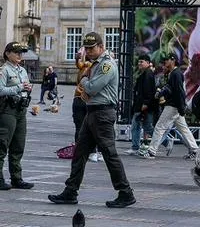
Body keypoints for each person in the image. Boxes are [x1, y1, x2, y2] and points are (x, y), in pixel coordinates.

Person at [48, 32, 135, 207]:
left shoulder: (106, 65)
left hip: (102, 114)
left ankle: (125, 192)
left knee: (110, 154)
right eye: (86, 48)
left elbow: (92, 87)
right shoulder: (95, 64)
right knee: (79, 153)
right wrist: (86, 84)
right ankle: (71, 191)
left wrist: (86, 80)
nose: (88, 51)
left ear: (101, 47)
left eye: (91, 47)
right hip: (92, 112)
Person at [139, 53, 199, 159]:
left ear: (173, 60)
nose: (165, 62)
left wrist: (180, 107)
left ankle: (152, 151)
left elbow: (180, 92)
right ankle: (195, 150)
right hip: (175, 106)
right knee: (183, 128)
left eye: (166, 60)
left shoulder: (176, 74)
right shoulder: (174, 73)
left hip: (173, 106)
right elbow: (175, 90)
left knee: (159, 127)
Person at [0, 41, 34, 191]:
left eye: (21, 53)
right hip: (8, 110)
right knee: (2, 144)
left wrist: (28, 89)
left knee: (18, 145)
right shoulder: (4, 70)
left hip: (21, 110)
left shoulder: (22, 70)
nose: (20, 55)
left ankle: (16, 177)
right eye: (17, 52)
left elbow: (25, 87)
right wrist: (20, 87)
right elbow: (0, 90)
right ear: (8, 54)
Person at [72, 48, 101, 162]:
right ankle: (93, 152)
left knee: (80, 127)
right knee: (92, 127)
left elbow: (79, 64)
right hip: (88, 99)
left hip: (79, 98)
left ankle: (79, 151)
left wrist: (78, 58)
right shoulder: (94, 66)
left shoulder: (85, 66)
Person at [126, 54, 158, 155]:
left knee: (139, 126)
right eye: (139, 61)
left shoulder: (148, 74)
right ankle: (165, 142)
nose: (139, 63)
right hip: (141, 105)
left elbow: (148, 91)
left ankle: (135, 147)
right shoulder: (145, 73)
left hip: (143, 106)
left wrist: (145, 103)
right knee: (144, 126)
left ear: (148, 63)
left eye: (142, 62)